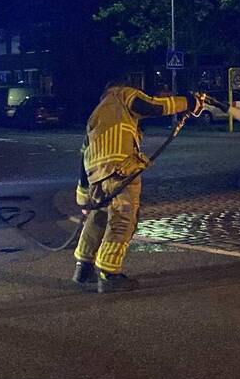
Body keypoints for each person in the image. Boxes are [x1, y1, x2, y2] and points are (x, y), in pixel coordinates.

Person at [72, 80, 201, 292]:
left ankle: (83, 267)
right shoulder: (123, 95)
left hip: (96, 175)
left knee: (99, 217)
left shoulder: (98, 113)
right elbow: (151, 106)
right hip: (121, 170)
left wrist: (83, 196)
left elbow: (83, 154)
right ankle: (109, 274)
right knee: (123, 219)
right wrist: (187, 102)